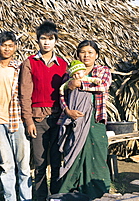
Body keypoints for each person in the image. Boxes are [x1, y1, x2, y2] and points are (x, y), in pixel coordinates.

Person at [19, 21, 68, 201]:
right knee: (39, 164)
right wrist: (29, 121)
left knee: (56, 162)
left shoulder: (63, 65)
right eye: (43, 39)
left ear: (56, 41)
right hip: (37, 120)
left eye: (50, 39)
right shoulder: (30, 63)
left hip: (58, 120)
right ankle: (40, 198)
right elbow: (25, 94)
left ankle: (56, 197)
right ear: (37, 41)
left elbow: (67, 92)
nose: (46, 42)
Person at [58, 40, 111, 199]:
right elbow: (62, 95)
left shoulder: (102, 71)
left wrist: (79, 84)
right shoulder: (69, 74)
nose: (86, 55)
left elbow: (103, 86)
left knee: (97, 154)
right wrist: (67, 111)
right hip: (75, 121)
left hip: (95, 120)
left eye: (90, 52)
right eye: (82, 52)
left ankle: (99, 192)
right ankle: (70, 191)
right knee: (74, 153)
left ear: (96, 55)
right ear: (77, 54)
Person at [0, 31, 32, 201]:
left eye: (10, 45)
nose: (7, 48)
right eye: (4, 45)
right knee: (7, 165)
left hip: (18, 120)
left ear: (15, 48)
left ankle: (26, 198)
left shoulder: (21, 68)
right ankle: (10, 198)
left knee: (24, 166)